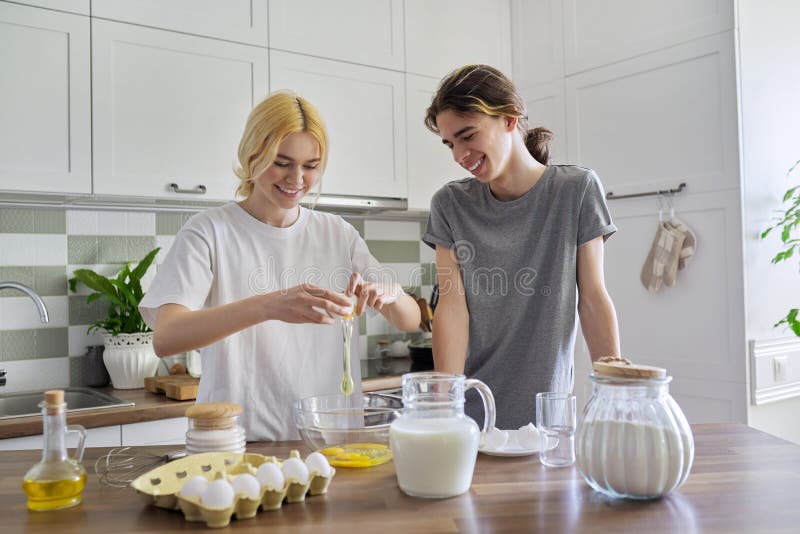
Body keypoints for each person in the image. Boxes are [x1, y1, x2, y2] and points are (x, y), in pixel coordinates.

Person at [139, 91, 421, 441]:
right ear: (252, 154)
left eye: (311, 166)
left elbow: (410, 320)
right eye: (282, 162)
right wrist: (269, 306)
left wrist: (391, 294)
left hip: (331, 442)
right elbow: (167, 337)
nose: (296, 179)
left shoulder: (337, 233)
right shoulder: (209, 231)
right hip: (239, 442)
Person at [422, 65, 621, 430]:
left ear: (510, 119)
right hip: (472, 414)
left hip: (547, 418)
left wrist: (615, 393)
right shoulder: (450, 204)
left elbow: (592, 297)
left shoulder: (576, 191)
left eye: (467, 135)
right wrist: (445, 410)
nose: (459, 155)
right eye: (451, 144)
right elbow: (451, 307)